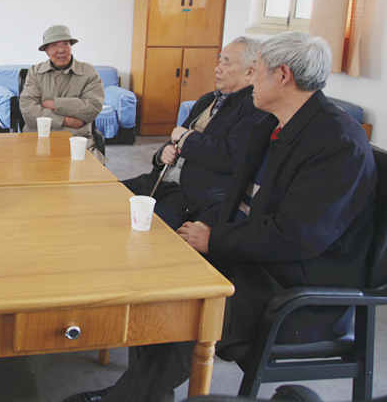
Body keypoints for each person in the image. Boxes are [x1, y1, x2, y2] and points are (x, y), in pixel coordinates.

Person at [64, 32, 377, 402]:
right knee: (154, 279)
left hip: (291, 287)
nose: (250, 81)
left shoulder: (337, 143)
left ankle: (129, 397)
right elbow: (235, 196)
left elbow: (297, 237)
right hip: (250, 257)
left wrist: (214, 239)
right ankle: (140, 393)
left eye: (256, 71)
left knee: (178, 306)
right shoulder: (274, 123)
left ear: (283, 76)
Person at [123, 37, 266, 229]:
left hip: (190, 198)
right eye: (219, 60)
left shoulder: (254, 108)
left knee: (137, 227)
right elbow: (174, 141)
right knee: (104, 193)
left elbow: (230, 157)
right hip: (160, 181)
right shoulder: (207, 100)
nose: (217, 68)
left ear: (250, 72)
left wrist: (185, 138)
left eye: (226, 62)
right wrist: (162, 154)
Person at [20, 25, 104, 158]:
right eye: (54, 45)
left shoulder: (88, 72)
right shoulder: (34, 72)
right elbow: (28, 110)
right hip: (37, 139)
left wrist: (54, 104)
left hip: (77, 140)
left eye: (65, 43)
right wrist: (65, 120)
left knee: (90, 169)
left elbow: (93, 107)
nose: (61, 50)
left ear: (71, 46)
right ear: (46, 50)